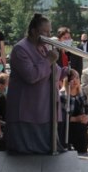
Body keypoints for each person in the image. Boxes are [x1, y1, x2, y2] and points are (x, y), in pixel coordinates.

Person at [6, 14, 62, 154]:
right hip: (26, 111)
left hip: (43, 108)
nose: (48, 36)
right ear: (34, 31)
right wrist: (48, 60)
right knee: (29, 156)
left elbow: (53, 70)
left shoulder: (43, 47)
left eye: (50, 32)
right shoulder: (20, 49)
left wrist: (66, 72)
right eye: (45, 32)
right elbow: (31, 76)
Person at [60, 70, 88, 154]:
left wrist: (87, 116)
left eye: (77, 78)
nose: (75, 81)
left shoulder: (82, 93)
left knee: (83, 149)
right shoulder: (62, 95)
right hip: (66, 127)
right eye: (72, 79)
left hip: (81, 127)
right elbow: (61, 116)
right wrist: (76, 119)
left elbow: (87, 108)